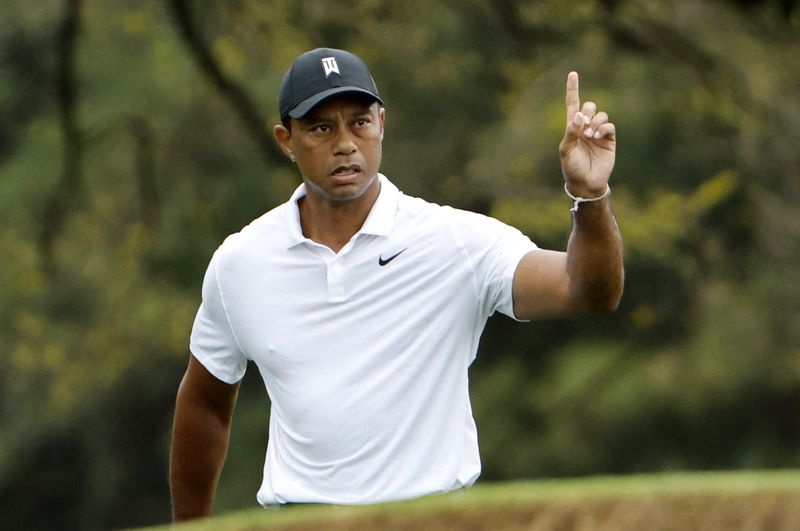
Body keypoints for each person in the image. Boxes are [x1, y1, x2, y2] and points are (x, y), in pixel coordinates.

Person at [169, 47, 623, 522]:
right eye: (322, 127)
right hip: (302, 517)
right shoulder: (241, 262)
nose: (345, 143)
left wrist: (590, 196)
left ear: (381, 123)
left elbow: (587, 291)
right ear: (287, 139)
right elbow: (204, 400)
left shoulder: (454, 241)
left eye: (359, 122)